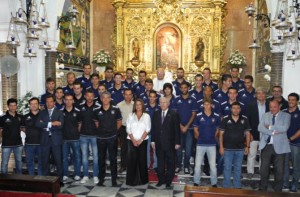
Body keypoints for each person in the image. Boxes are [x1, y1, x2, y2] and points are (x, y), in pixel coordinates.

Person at [258, 100, 291, 192]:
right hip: (266, 146)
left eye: (274, 107)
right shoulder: (265, 115)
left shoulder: (286, 116)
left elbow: (284, 128)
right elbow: (260, 128)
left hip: (280, 147)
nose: (272, 109)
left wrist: (269, 127)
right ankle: (263, 188)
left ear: (279, 106)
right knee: (263, 169)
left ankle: (277, 190)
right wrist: (273, 132)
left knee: (279, 170)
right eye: (270, 107)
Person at [151, 97, 181, 189]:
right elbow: (154, 128)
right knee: (160, 163)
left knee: (170, 163)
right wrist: (152, 140)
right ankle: (161, 180)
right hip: (159, 143)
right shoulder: (156, 113)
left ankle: (168, 181)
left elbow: (177, 129)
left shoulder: (174, 114)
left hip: (170, 144)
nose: (163, 104)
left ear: (168, 103)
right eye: (161, 102)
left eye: (164, 102)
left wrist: (177, 142)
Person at [219, 101, 251, 188]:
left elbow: (248, 134)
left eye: (237, 108)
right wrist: (221, 147)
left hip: (240, 149)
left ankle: (237, 186)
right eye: (234, 108)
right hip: (227, 149)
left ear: (240, 109)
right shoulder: (225, 119)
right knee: (227, 168)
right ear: (231, 109)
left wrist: (247, 146)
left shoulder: (245, 119)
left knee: (238, 168)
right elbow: (221, 134)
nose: (236, 110)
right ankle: (226, 186)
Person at [94, 91, 122, 186]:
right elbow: (97, 124)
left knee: (113, 159)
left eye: (107, 97)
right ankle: (101, 179)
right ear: (101, 99)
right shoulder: (97, 110)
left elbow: (119, 123)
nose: (105, 99)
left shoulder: (116, 109)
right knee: (101, 159)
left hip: (112, 138)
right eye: (104, 98)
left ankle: (114, 180)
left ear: (110, 99)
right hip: (100, 138)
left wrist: (113, 132)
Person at [36, 95, 64, 185]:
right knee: (45, 161)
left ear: (54, 102)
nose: (49, 103)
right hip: (45, 140)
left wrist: (45, 125)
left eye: (50, 101)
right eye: (47, 102)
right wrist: (52, 123)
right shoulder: (42, 113)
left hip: (56, 140)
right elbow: (37, 124)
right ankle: (46, 181)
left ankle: (60, 180)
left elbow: (61, 125)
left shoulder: (59, 112)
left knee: (58, 160)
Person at [193, 98, 220, 187]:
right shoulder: (198, 115)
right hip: (200, 144)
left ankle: (214, 183)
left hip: (212, 144)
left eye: (208, 104)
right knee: (197, 164)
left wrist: (214, 136)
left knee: (212, 165)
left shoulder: (216, 116)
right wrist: (198, 136)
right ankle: (196, 182)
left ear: (212, 105)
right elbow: (195, 128)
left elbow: (217, 129)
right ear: (203, 105)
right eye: (205, 104)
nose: (206, 106)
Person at [173, 82, 197, 174]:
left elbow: (193, 114)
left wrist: (186, 126)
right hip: (178, 129)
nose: (183, 89)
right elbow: (175, 115)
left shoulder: (193, 100)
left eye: (185, 87)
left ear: (188, 88)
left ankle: (186, 166)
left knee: (188, 149)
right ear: (180, 88)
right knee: (178, 150)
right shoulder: (176, 100)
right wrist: (181, 126)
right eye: (182, 87)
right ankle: (178, 165)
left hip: (190, 129)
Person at [77, 89, 101, 184]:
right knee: (84, 157)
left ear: (93, 96)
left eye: (91, 96)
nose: (90, 97)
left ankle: (95, 176)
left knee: (95, 157)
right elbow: (79, 123)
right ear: (85, 96)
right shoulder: (81, 107)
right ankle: (85, 175)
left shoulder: (98, 107)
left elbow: (99, 122)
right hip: (83, 136)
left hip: (95, 136)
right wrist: (79, 133)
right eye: (88, 96)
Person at [245, 87, 269, 180]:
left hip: (266, 134)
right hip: (253, 134)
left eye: (263, 93)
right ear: (256, 95)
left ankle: (261, 171)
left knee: (264, 155)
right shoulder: (250, 105)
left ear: (265, 95)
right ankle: (250, 172)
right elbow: (247, 120)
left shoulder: (269, 105)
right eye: (259, 93)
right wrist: (249, 133)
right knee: (252, 154)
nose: (261, 95)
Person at [126, 98, 151, 186]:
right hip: (131, 141)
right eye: (136, 105)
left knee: (142, 161)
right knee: (131, 161)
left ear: (142, 105)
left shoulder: (146, 116)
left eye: (140, 104)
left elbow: (147, 129)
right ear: (134, 106)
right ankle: (131, 181)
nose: (138, 106)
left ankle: (143, 180)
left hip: (143, 141)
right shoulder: (130, 115)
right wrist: (133, 140)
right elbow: (128, 129)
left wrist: (140, 140)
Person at [61, 93, 81, 183]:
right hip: (64, 139)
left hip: (75, 138)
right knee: (64, 158)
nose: (68, 101)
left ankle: (77, 174)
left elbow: (80, 124)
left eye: (70, 99)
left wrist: (76, 132)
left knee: (77, 157)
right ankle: (65, 174)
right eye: (67, 99)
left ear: (73, 100)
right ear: (64, 101)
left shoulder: (77, 111)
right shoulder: (60, 111)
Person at [0, 98, 23, 174]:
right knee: (4, 163)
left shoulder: (20, 117)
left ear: (16, 106)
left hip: (18, 144)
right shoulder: (2, 118)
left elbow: (22, 128)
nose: (13, 107)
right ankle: (4, 182)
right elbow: (0, 130)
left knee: (19, 163)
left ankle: (19, 180)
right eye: (11, 106)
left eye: (14, 105)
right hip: (6, 144)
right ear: (8, 106)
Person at [282, 93, 300, 192]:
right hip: (284, 144)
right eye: (289, 99)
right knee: (285, 165)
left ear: (297, 101)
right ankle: (285, 184)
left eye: (293, 100)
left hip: (296, 144)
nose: (291, 102)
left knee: (296, 165)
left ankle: (295, 185)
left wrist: (291, 138)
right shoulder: (283, 112)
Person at [22, 97, 42, 175]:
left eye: (35, 103)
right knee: (29, 162)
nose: (33, 105)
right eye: (32, 104)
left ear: (38, 105)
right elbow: (23, 128)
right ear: (29, 105)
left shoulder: (44, 115)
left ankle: (40, 179)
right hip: (29, 144)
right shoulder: (25, 116)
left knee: (41, 163)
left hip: (41, 143)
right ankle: (31, 179)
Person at [117, 89, 134, 173]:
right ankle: (123, 166)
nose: (128, 96)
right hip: (123, 128)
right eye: (126, 94)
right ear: (123, 95)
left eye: (129, 94)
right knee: (123, 148)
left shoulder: (135, 105)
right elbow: (117, 119)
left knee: (133, 148)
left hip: (134, 129)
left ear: (132, 95)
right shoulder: (119, 105)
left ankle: (132, 166)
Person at [145, 90, 160, 170]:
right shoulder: (144, 107)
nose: (152, 98)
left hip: (156, 132)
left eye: (154, 97)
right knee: (146, 150)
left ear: (156, 98)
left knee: (156, 150)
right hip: (146, 132)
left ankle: (155, 166)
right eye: (150, 96)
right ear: (148, 97)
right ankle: (146, 165)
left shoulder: (159, 107)